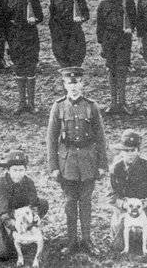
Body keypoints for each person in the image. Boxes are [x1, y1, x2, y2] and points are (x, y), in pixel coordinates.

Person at [46, 66, 108, 256]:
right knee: (70, 202)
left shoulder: (91, 106)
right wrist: (54, 167)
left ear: (82, 83)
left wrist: (103, 164)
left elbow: (100, 137)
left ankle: (87, 240)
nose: (73, 86)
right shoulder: (58, 106)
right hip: (68, 162)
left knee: (86, 201)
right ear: (64, 84)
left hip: (88, 160)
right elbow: (51, 138)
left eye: (77, 82)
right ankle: (72, 241)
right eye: (69, 83)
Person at [0, 149, 49, 259]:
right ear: (8, 170)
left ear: (25, 170)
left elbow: (34, 204)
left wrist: (35, 215)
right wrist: (14, 225)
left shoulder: (29, 182)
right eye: (15, 170)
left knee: (43, 203)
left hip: (15, 211)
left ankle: (24, 231)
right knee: (2, 253)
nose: (18, 174)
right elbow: (2, 213)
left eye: (21, 170)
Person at [106, 129, 147, 254]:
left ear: (138, 151)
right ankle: (117, 225)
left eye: (133, 150)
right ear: (121, 152)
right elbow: (111, 195)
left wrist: (146, 202)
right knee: (117, 246)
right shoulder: (116, 168)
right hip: (124, 210)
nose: (130, 154)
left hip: (144, 209)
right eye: (126, 151)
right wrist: (123, 204)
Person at [4, 0, 43, 113]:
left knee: (31, 67)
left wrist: (35, 19)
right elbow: (5, 20)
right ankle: (21, 103)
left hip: (30, 36)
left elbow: (41, 16)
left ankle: (31, 104)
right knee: (19, 67)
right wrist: (8, 41)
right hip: (15, 37)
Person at [97, 0, 135, 115]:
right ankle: (113, 103)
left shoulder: (127, 3)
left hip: (123, 40)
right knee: (111, 69)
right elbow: (99, 26)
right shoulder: (103, 5)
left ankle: (122, 102)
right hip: (109, 40)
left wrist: (130, 27)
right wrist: (101, 44)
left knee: (122, 69)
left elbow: (134, 18)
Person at [48, 0, 89, 68]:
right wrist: (55, 35)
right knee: (63, 62)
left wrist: (81, 18)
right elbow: (52, 19)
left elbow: (86, 14)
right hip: (61, 35)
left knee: (76, 61)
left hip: (75, 34)